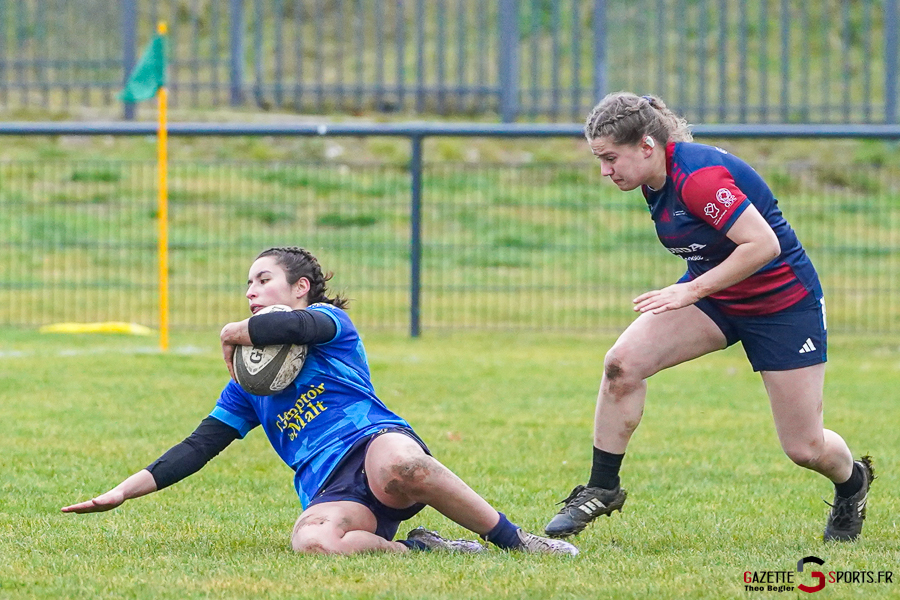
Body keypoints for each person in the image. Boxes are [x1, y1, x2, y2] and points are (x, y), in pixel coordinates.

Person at [63, 246, 577, 556]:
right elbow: (199, 445)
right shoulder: (250, 378)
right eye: (247, 284)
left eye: (263, 280)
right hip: (329, 486)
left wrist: (234, 329)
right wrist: (122, 492)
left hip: (372, 445)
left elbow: (293, 324)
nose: (251, 291)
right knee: (313, 543)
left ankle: (516, 542)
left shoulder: (331, 326)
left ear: (301, 287)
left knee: (404, 464)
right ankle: (420, 549)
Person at [543, 92, 874, 543]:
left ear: (646, 145)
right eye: (599, 159)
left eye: (609, 158)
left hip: (781, 306)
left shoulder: (697, 178)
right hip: (717, 298)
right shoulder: (652, 177)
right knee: (622, 365)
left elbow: (763, 246)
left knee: (805, 448)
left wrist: (691, 289)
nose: (605, 171)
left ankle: (852, 482)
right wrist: (697, 289)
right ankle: (602, 486)